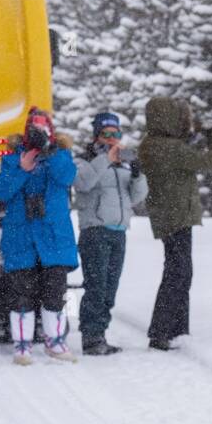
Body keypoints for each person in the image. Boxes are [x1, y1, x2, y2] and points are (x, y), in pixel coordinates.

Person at [0, 107, 79, 365]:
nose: (39, 136)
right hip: (22, 237)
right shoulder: (13, 158)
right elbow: (1, 190)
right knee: (21, 293)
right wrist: (21, 168)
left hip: (53, 237)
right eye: (34, 131)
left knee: (55, 292)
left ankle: (55, 341)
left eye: (44, 131)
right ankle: (22, 345)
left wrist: (50, 152)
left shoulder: (61, 156)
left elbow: (67, 176)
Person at [138, 97, 212, 350]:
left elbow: (181, 156)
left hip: (168, 215)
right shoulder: (170, 148)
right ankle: (163, 331)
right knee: (178, 273)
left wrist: (189, 135)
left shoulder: (151, 144)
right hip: (177, 216)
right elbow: (210, 162)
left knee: (178, 272)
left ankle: (175, 329)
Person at [73, 112, 147, 355]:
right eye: (106, 134)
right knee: (96, 286)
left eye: (116, 134)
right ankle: (91, 337)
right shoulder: (84, 160)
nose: (112, 139)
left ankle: (100, 334)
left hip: (118, 230)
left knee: (109, 289)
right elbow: (83, 184)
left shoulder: (123, 163)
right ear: (96, 135)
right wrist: (105, 158)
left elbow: (136, 198)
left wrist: (138, 174)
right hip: (95, 229)